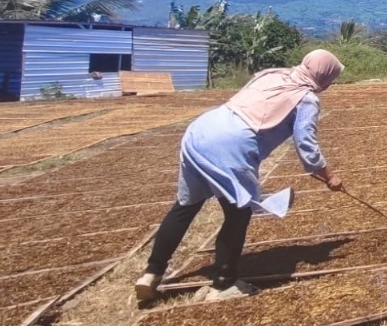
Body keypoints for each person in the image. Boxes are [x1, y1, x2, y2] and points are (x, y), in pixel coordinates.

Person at [134, 50, 345, 303]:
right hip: (230, 145)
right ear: (324, 76)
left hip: (203, 129)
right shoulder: (306, 98)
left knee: (185, 206)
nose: (331, 84)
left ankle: (151, 273)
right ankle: (223, 285)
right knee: (238, 213)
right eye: (332, 78)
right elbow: (306, 145)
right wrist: (330, 176)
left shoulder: (273, 74)